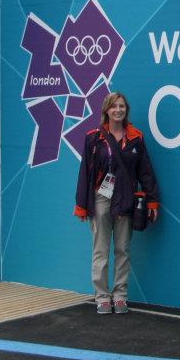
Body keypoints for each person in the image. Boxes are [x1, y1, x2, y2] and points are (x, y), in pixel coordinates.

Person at [72, 91, 159, 314]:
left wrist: (152, 202)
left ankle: (120, 295)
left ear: (126, 110)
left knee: (123, 249)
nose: (118, 110)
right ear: (106, 111)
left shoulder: (136, 138)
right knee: (100, 250)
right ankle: (101, 296)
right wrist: (81, 204)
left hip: (127, 198)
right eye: (114, 106)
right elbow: (85, 173)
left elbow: (146, 172)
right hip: (101, 197)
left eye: (121, 106)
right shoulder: (93, 137)